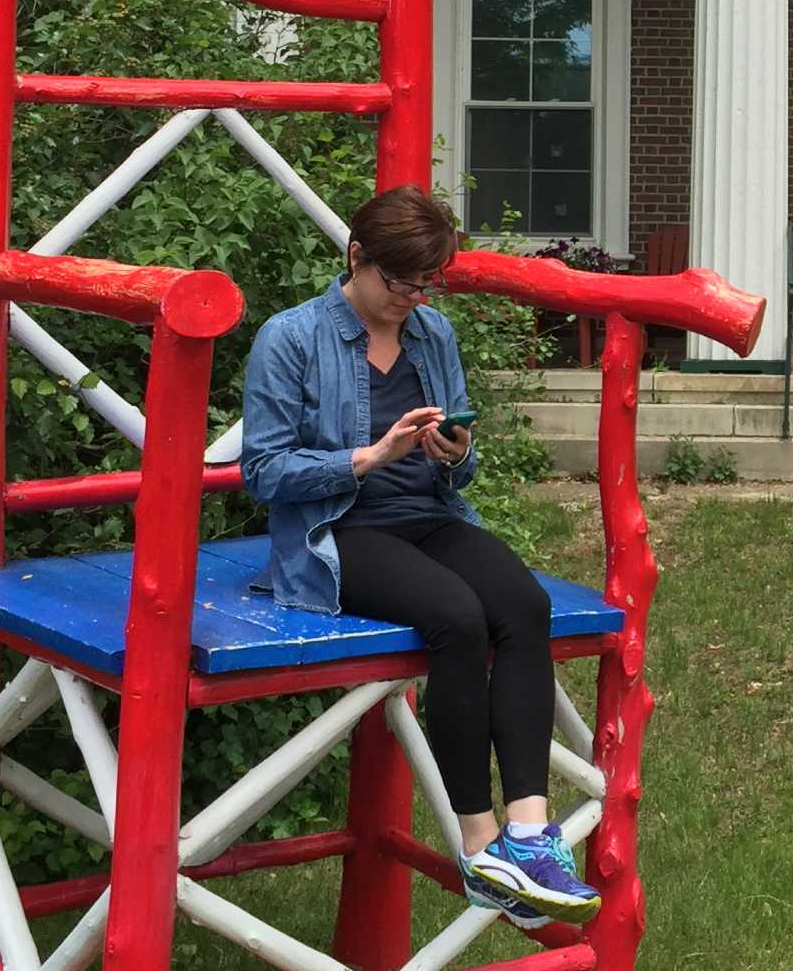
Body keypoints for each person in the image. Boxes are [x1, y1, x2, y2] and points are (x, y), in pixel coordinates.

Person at [239, 185, 598, 928]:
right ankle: (479, 845)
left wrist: (455, 452)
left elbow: (460, 469)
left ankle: (529, 834)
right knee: (456, 619)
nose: (411, 298)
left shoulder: (432, 334)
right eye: (397, 282)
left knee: (525, 606)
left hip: (429, 516)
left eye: (426, 283)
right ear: (356, 257)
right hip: (335, 533)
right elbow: (263, 473)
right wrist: (368, 457)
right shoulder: (291, 337)